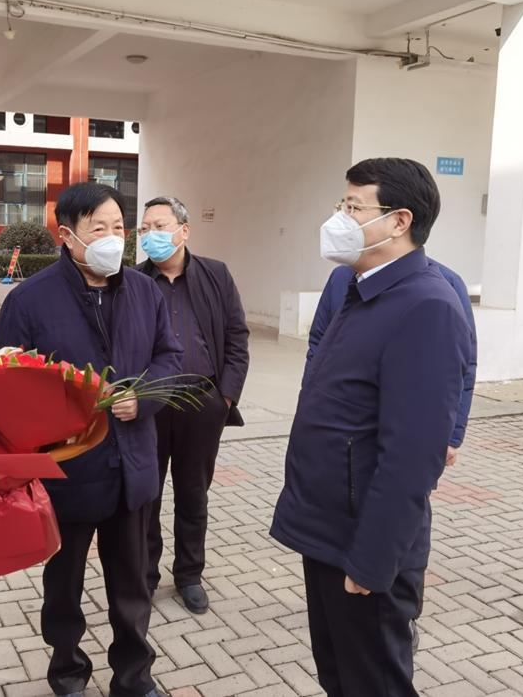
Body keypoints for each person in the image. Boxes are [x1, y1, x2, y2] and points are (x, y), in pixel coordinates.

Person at [270, 158, 472, 697]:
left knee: (373, 683)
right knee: (339, 677)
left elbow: (412, 457)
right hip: (328, 529)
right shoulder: (360, 288)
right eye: (342, 204)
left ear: (399, 220)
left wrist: (373, 560)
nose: (339, 218)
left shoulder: (426, 306)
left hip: (363, 542)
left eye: (354, 207)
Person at [0, 182, 181, 697]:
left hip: (132, 468)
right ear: (67, 235)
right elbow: (5, 384)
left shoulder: (144, 291)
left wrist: (142, 397)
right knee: (64, 587)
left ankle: (134, 677)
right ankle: (67, 671)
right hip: (67, 471)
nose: (114, 238)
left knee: (132, 586)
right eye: (99, 228)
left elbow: (170, 357)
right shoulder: (30, 300)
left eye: (120, 227)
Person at [136, 196, 250, 614]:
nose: (150, 235)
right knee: (145, 495)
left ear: (184, 231)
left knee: (193, 494)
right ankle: (144, 574)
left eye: (159, 226)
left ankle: (189, 575)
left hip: (202, 403)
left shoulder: (215, 275)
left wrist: (225, 397)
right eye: (144, 228)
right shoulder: (133, 281)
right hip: (149, 405)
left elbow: (237, 337)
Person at [307, 259, 477, 466]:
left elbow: (463, 366)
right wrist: (309, 402)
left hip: (404, 432)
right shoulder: (341, 277)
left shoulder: (445, 284)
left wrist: (452, 436)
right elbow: (318, 344)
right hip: (338, 426)